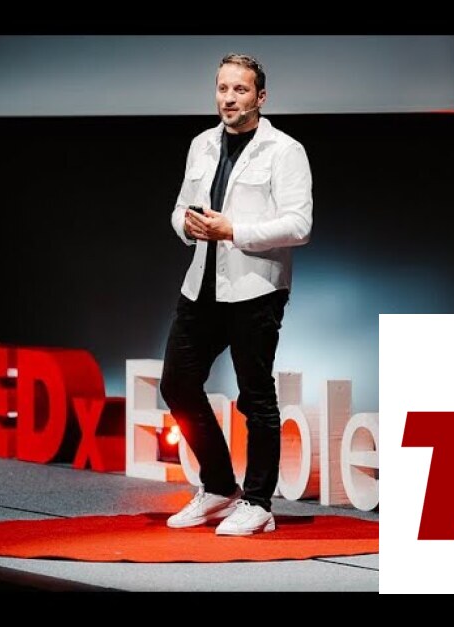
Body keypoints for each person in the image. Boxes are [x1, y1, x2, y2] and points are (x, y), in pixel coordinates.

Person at [160, 53, 313, 536]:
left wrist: (234, 230)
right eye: (223, 88)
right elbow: (180, 207)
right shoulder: (201, 144)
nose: (229, 98)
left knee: (255, 397)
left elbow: (299, 224)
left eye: (240, 90)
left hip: (255, 289)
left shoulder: (284, 150)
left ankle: (259, 502)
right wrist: (186, 225)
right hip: (200, 285)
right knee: (177, 384)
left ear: (260, 96)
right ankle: (219, 487)